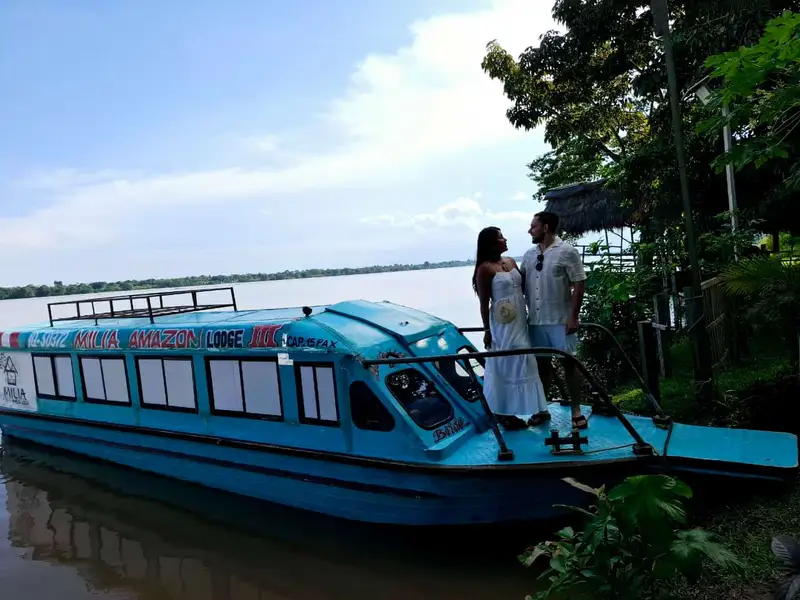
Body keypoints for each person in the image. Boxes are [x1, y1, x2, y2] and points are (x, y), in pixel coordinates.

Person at [472, 226, 550, 430]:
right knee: (507, 362)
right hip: (502, 323)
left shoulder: (511, 262)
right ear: (491, 243)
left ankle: (538, 408)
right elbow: (483, 304)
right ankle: (504, 412)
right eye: (500, 237)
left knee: (526, 359)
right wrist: (487, 331)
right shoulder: (485, 269)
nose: (505, 239)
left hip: (520, 320)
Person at [520, 212, 588, 429]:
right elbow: (520, 286)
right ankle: (542, 408)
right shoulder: (529, 255)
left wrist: (574, 317)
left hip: (561, 320)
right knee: (541, 366)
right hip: (536, 321)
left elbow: (579, 283)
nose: (529, 230)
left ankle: (576, 409)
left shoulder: (567, 252)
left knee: (569, 364)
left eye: (533, 226)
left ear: (546, 227)